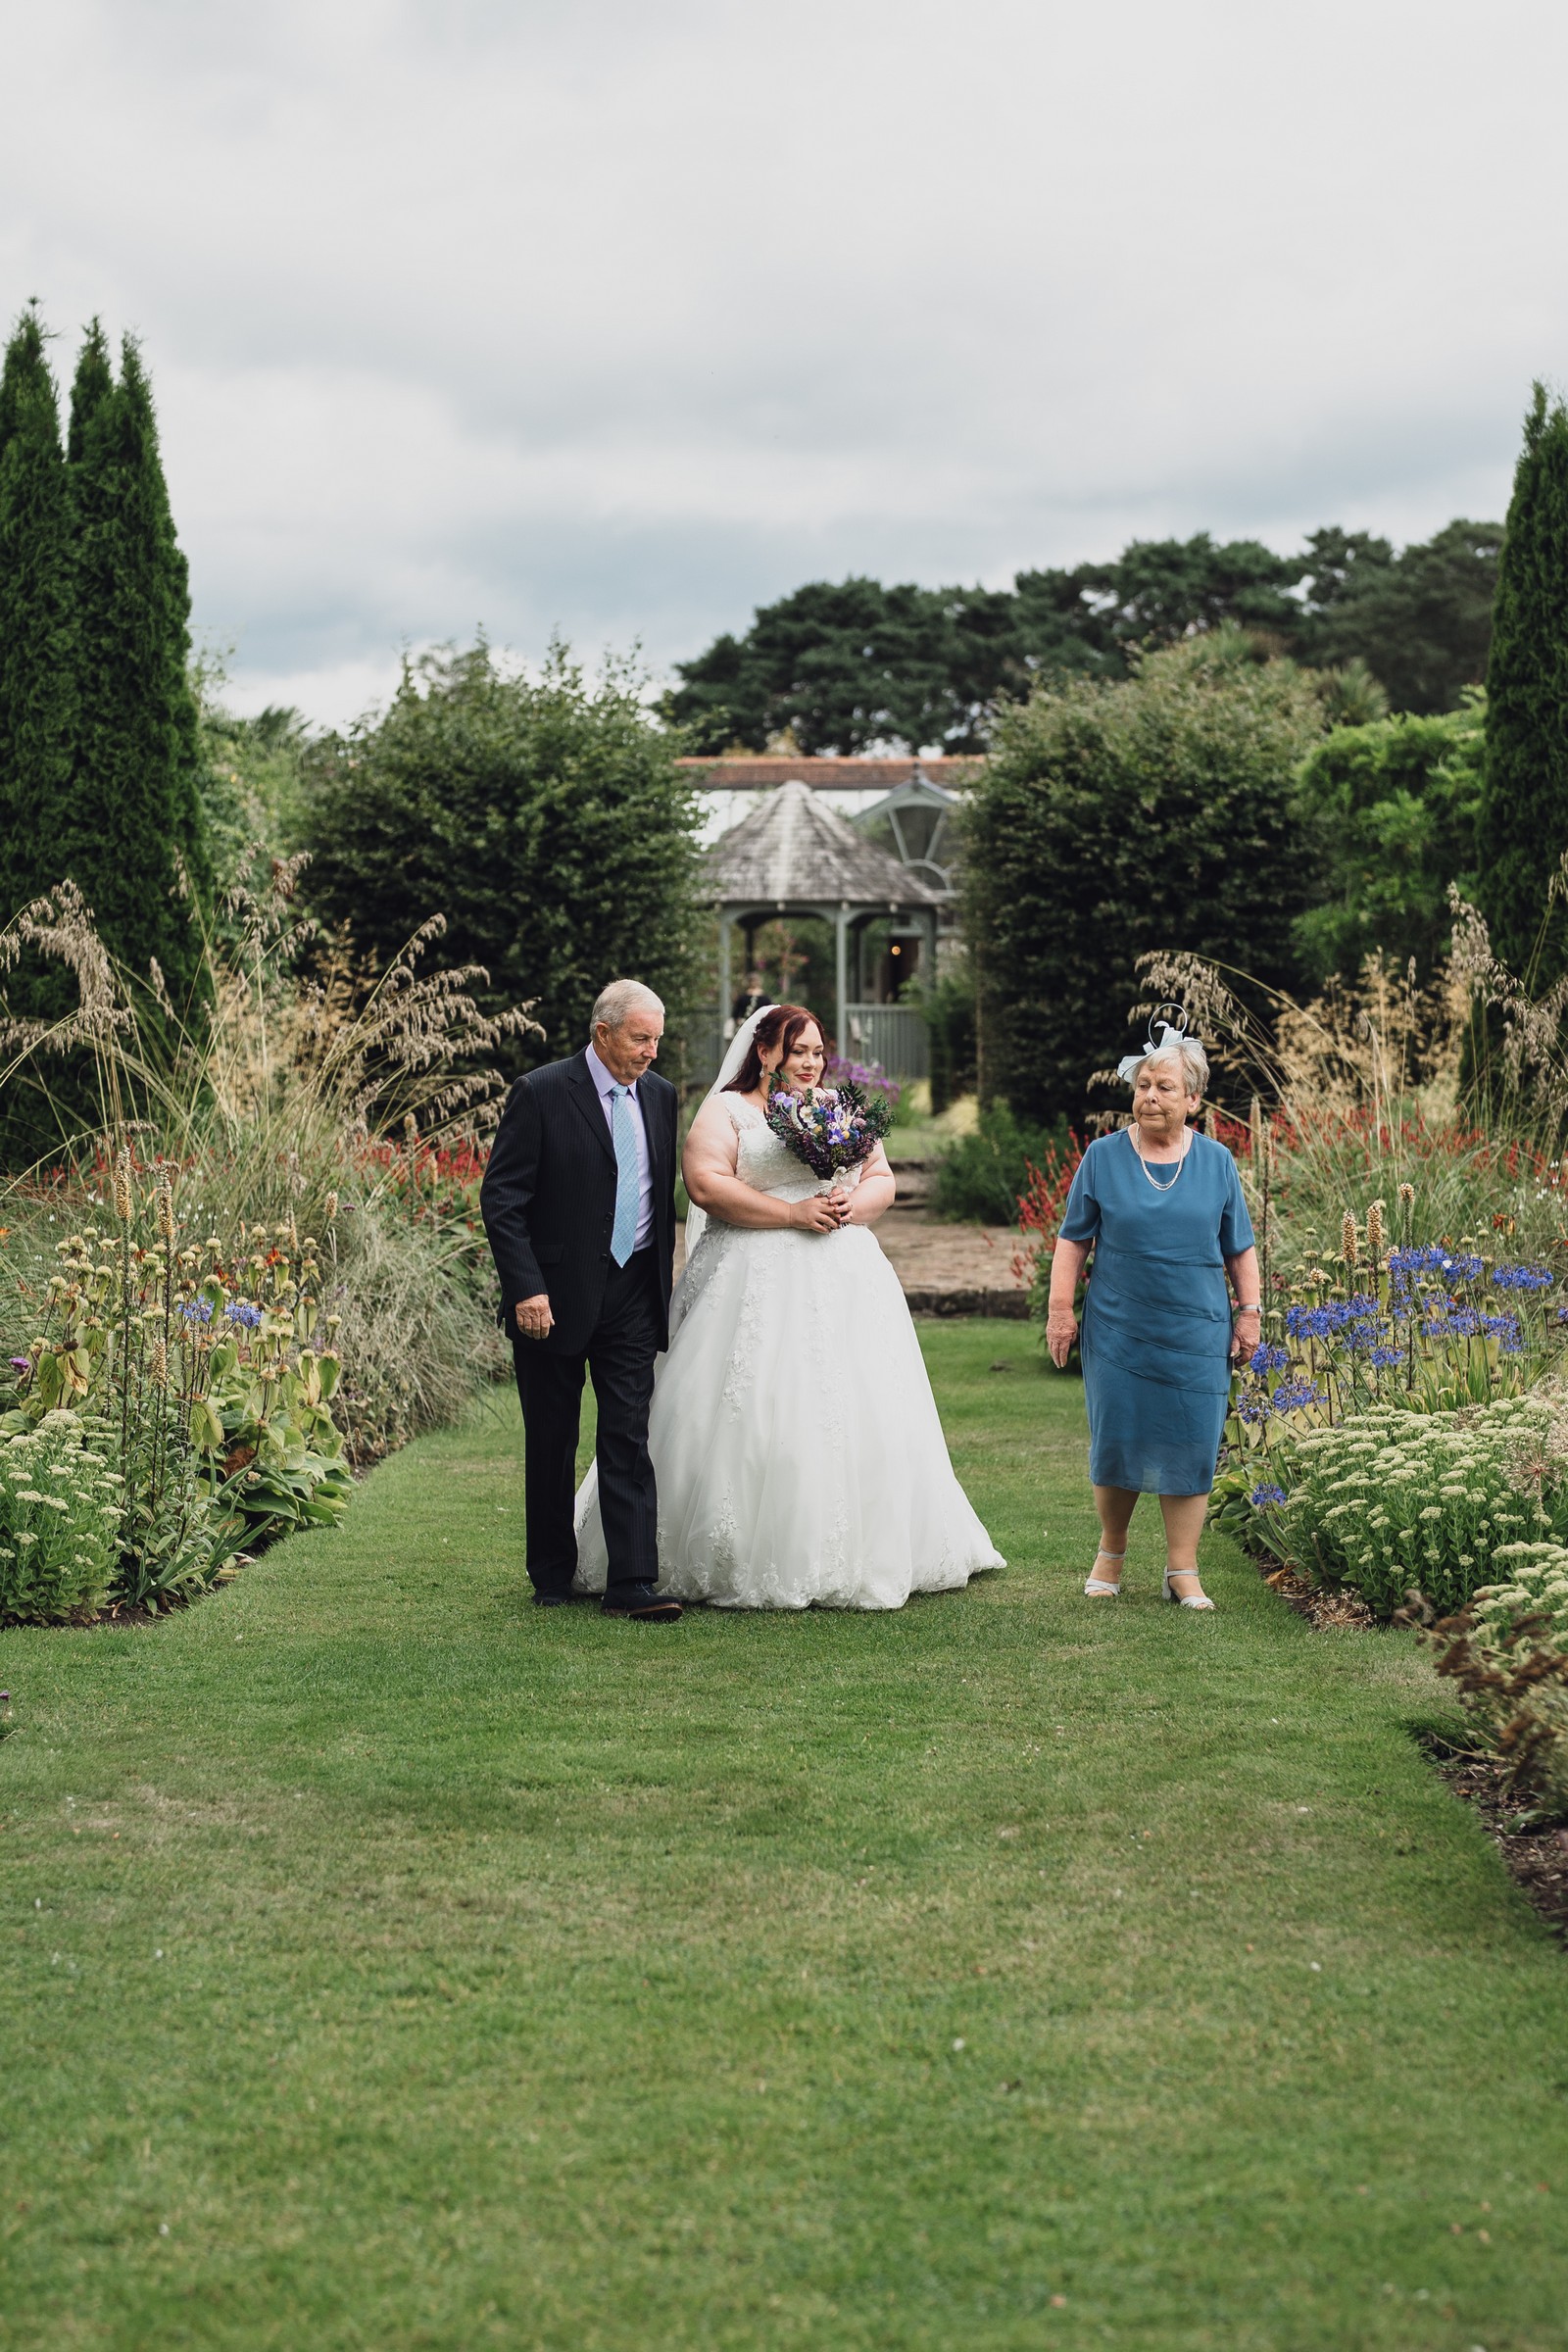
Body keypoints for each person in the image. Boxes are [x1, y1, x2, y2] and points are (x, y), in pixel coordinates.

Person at [573, 1004, 1004, 1607]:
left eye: (818, 1052)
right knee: (744, 1404)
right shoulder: (727, 1109)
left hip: (845, 1276)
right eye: (798, 1051)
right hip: (749, 1274)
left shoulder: (838, 1107)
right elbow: (705, 1184)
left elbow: (881, 1175)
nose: (810, 1063)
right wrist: (793, 1214)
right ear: (765, 1052)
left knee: (855, 1404)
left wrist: (850, 1206)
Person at [480, 979, 683, 1622]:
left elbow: (652, 1193)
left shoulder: (662, 1097)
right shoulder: (541, 1093)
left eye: (657, 1039)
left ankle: (632, 1582)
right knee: (553, 1439)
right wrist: (527, 1288)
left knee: (627, 1435)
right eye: (640, 1038)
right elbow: (503, 1199)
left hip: (632, 1293)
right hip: (553, 1299)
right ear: (604, 1033)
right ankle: (550, 1573)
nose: (652, 1051)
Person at [1045, 1021, 1259, 1611]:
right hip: (1118, 1327)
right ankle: (1110, 1553)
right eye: (1143, 1085)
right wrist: (1061, 1311)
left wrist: (1251, 1314)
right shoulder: (1102, 1157)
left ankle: (1182, 1570)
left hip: (1196, 1328)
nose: (1150, 1097)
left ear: (1194, 1099)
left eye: (1165, 1087)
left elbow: (1239, 1247)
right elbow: (1072, 1242)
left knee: (1192, 1441)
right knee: (1118, 1437)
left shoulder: (1217, 1162)